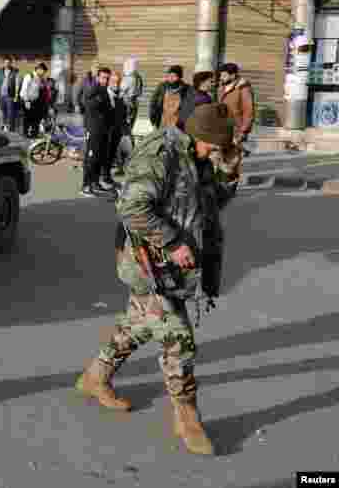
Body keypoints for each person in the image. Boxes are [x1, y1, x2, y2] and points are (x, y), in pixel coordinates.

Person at [74, 103, 243, 456]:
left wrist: (229, 171)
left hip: (172, 266)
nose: (214, 154)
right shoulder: (160, 154)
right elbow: (131, 208)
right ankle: (187, 416)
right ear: (199, 136)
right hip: (147, 262)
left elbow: (211, 205)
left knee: (138, 324)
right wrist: (174, 241)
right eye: (214, 147)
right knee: (178, 339)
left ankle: (96, 376)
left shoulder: (198, 157)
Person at [82, 67, 115, 197]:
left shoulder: (104, 89)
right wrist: (99, 101)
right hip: (93, 128)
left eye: (107, 78)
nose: (105, 80)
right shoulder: (93, 88)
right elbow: (87, 104)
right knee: (91, 158)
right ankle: (86, 186)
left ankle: (95, 183)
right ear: (98, 77)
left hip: (103, 129)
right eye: (103, 78)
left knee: (99, 157)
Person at [217, 63, 254, 150]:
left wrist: (243, 132)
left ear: (233, 75)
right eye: (220, 75)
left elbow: (248, 111)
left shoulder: (243, 89)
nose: (221, 78)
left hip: (236, 131)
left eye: (224, 75)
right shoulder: (221, 87)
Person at [149, 65, 192, 129]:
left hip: (177, 124)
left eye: (174, 76)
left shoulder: (186, 89)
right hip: (162, 122)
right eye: (169, 76)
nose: (171, 78)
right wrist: (153, 118)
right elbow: (153, 102)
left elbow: (189, 106)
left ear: (179, 77)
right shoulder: (162, 87)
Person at [105, 71, 129, 178]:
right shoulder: (105, 93)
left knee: (114, 151)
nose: (116, 84)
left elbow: (124, 112)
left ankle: (108, 175)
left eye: (118, 82)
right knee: (106, 152)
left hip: (118, 128)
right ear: (109, 81)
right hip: (107, 128)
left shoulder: (121, 95)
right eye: (113, 81)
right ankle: (103, 175)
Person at [19, 62, 49, 138]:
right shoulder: (29, 76)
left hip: (35, 101)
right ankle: (25, 134)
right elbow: (24, 89)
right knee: (27, 118)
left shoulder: (39, 78)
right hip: (27, 100)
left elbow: (41, 88)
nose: (44, 73)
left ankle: (34, 134)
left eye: (44, 72)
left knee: (35, 118)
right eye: (43, 71)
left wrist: (43, 83)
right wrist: (26, 101)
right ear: (39, 69)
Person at [120, 57, 144, 140]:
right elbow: (140, 92)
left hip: (126, 104)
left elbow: (121, 92)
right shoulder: (139, 77)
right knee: (130, 125)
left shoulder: (128, 78)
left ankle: (127, 142)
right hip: (134, 104)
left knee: (125, 128)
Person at [0, 57, 19, 133]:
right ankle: (2, 128)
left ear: (11, 63)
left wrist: (16, 95)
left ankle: (10, 130)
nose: (7, 64)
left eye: (8, 63)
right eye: (5, 62)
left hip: (10, 96)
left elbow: (17, 84)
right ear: (3, 63)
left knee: (10, 113)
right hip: (1, 95)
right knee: (1, 113)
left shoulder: (15, 71)